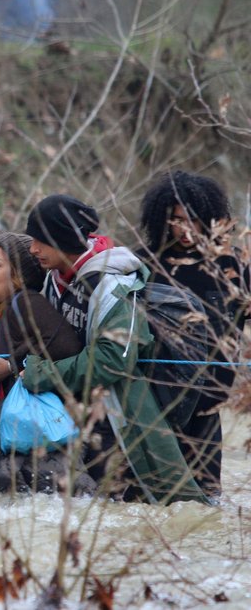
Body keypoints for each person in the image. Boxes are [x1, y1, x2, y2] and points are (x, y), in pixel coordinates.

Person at [23, 194, 206, 503]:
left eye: (40, 240)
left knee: (171, 507)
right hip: (84, 417)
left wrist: (43, 374)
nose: (32, 248)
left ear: (64, 239)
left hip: (127, 418)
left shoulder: (111, 285)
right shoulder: (55, 279)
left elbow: (113, 360)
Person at [139, 171, 247, 497]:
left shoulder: (229, 266)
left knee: (205, 503)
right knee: (151, 501)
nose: (185, 230)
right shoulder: (146, 265)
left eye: (194, 221)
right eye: (176, 220)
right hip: (156, 405)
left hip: (209, 406)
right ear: (162, 219)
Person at [0, 232, 94, 494]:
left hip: (36, 410)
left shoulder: (26, 302)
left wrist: (13, 366)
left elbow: (67, 347)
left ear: (18, 275)